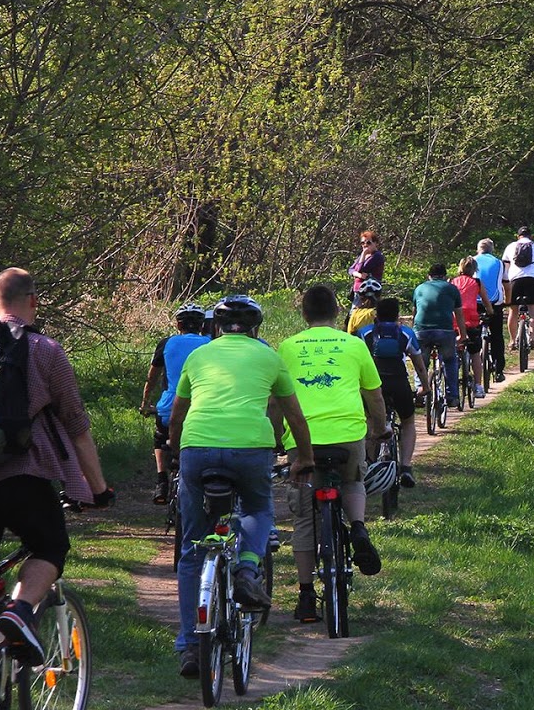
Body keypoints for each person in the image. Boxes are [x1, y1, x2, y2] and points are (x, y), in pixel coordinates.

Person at [0, 269, 105, 653]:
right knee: (50, 547)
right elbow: (76, 427)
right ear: (33, 301)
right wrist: (97, 489)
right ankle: (19, 610)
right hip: (24, 476)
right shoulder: (47, 351)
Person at [169, 294, 310, 678]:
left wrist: (176, 450)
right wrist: (304, 457)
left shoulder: (199, 356)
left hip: (197, 447)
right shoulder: (268, 357)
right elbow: (294, 415)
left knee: (191, 548)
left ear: (215, 327)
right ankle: (247, 570)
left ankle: (189, 646)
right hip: (250, 448)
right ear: (256, 329)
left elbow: (178, 414)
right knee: (258, 510)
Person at [279, 284, 386, 624]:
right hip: (347, 434)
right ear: (337, 313)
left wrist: (274, 440)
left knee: (304, 518)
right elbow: (375, 397)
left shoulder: (287, 347)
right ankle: (357, 528)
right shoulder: (354, 345)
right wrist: (378, 429)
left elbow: (274, 399)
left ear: (304, 314)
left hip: (303, 437)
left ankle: (307, 596)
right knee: (354, 481)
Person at [139, 303, 210, 505]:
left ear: (178, 325)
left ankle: (161, 481)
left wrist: (145, 403)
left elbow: (152, 378)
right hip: (201, 408)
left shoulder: (166, 343)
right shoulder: (210, 344)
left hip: (169, 408)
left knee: (160, 439)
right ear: (202, 325)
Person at [357, 296, 431, 488]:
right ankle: (406, 467)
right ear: (397, 315)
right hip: (399, 383)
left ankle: (369, 465)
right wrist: (425, 386)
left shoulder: (364, 333)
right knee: (407, 422)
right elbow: (419, 365)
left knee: (371, 421)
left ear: (376, 315)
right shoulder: (405, 333)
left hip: (374, 386)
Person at [412, 264, 464, 407]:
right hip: (445, 331)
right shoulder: (452, 289)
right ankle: (452, 396)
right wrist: (463, 335)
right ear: (445, 276)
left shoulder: (419, 288)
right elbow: (459, 315)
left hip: (421, 331)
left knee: (420, 362)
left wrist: (413, 331)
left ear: (429, 276)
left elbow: (415, 313)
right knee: (450, 360)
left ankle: (419, 390)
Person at [500, 227, 534, 350]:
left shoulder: (510, 247)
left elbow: (504, 269)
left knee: (513, 311)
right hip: (532, 280)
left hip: (515, 281)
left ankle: (512, 341)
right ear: (530, 236)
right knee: (533, 311)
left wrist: (504, 286)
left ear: (518, 236)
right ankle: (533, 339)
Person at [450, 257, 495, 387]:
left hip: (454, 320)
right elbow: (486, 301)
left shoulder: (452, 281)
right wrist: (490, 312)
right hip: (471, 320)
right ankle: (478, 386)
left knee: (453, 351)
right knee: (475, 353)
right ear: (475, 269)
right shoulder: (477, 282)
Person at [474, 238, 507, 382]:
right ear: (492, 250)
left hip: (474, 303)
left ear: (478, 249)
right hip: (494, 302)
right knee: (497, 336)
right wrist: (508, 301)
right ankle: (499, 370)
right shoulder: (499, 262)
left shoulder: (471, 261)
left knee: (472, 334)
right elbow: (505, 282)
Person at [349, 230, 384, 298]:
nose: (365, 245)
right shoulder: (362, 257)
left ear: (375, 243)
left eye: (368, 243)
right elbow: (351, 269)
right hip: (358, 290)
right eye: (362, 243)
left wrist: (364, 254)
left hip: (370, 291)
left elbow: (359, 269)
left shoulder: (377, 256)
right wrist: (358, 274)